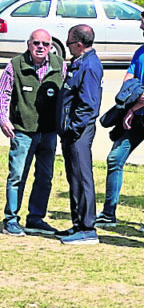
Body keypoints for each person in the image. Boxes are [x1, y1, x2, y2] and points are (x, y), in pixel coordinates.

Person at [0, 29, 63, 236]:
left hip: (49, 133)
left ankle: (36, 218)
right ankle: (11, 219)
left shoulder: (60, 66)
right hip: (22, 132)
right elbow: (1, 96)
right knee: (16, 176)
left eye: (45, 44)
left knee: (45, 177)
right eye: (36, 43)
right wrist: (4, 120)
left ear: (51, 47)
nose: (41, 47)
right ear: (28, 44)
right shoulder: (15, 65)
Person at [57, 24, 103, 245]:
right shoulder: (79, 63)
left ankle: (87, 228)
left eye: (68, 42)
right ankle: (78, 223)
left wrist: (72, 128)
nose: (67, 46)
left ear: (78, 44)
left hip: (79, 132)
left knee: (82, 177)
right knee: (74, 178)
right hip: (71, 131)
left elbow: (88, 104)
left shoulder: (90, 66)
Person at [98, 15, 144, 227]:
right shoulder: (140, 51)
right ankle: (109, 213)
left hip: (135, 114)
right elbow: (129, 79)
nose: (141, 25)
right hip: (135, 119)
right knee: (115, 159)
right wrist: (130, 102)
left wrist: (132, 108)